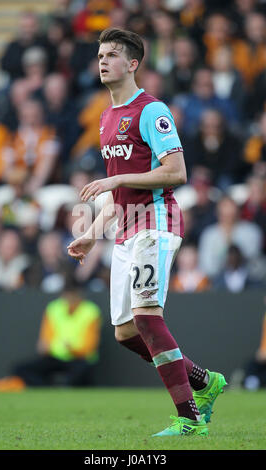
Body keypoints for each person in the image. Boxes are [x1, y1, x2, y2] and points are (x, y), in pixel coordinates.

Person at [67, 28, 227, 438]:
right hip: (124, 229)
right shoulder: (105, 118)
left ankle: (190, 420)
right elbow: (116, 192)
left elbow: (177, 172)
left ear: (133, 64)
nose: (103, 61)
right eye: (100, 54)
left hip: (156, 222)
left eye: (112, 55)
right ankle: (205, 382)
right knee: (124, 331)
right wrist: (92, 232)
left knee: (146, 317)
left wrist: (114, 181)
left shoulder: (151, 110)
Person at [0, 279, 102, 390]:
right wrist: (44, 346)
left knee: (81, 373)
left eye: (73, 295)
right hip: (54, 357)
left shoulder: (91, 311)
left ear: (79, 295)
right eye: (67, 295)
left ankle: (65, 387)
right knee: (20, 369)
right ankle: (48, 389)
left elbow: (90, 346)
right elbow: (45, 339)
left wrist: (72, 349)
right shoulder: (54, 308)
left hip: (79, 359)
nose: (69, 299)